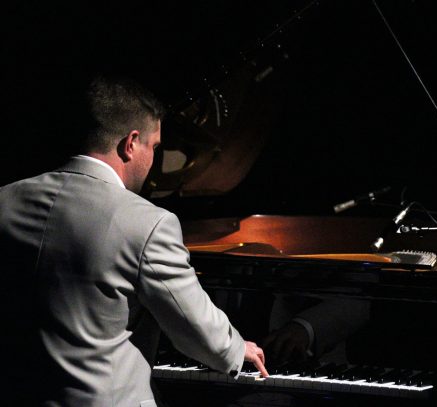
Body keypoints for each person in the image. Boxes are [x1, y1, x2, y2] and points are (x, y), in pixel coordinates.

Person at [0, 74, 268, 406]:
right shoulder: (147, 221)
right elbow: (194, 327)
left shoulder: (6, 200)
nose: (154, 160)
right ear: (131, 143)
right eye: (154, 147)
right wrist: (236, 347)